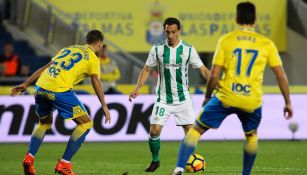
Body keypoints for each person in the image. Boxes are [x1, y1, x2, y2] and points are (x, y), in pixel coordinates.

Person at [172, 2, 293, 175]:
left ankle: (179, 168)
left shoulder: (227, 40)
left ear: (237, 18)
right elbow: (281, 76)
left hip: (226, 96)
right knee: (251, 136)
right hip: (252, 100)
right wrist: (288, 102)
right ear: (255, 19)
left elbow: (214, 75)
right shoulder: (266, 44)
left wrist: (207, 98)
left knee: (196, 130)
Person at [11, 30, 111, 175]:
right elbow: (95, 80)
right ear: (99, 45)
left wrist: (26, 83)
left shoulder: (68, 49)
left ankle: (29, 158)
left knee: (44, 123)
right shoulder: (93, 58)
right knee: (86, 124)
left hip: (40, 87)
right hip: (59, 89)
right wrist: (104, 106)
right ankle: (64, 164)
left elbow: (46, 67)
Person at [129, 17, 210, 172]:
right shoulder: (157, 49)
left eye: (173, 32)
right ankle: (155, 160)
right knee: (154, 131)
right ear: (164, 31)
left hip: (183, 99)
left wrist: (215, 86)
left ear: (179, 30)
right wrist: (138, 87)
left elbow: (203, 70)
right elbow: (147, 69)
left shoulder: (188, 49)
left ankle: (187, 162)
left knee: (190, 134)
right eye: (167, 32)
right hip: (163, 99)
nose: (171, 35)